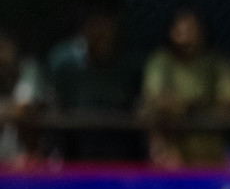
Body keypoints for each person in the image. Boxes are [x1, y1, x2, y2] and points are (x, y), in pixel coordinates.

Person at [141, 8, 230, 167]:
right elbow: (154, 100)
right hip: (171, 156)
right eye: (180, 30)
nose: (186, 37)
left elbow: (229, 103)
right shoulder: (161, 61)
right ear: (171, 32)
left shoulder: (218, 63)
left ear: (202, 32)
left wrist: (187, 106)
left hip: (210, 154)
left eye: (191, 30)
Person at [49, 9, 139, 161]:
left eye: (107, 26)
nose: (102, 33)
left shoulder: (128, 64)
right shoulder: (63, 61)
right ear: (85, 29)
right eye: (96, 25)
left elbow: (135, 107)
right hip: (75, 145)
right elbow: (55, 106)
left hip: (119, 146)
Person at [0, 30, 44, 166]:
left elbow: (23, 107)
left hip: (21, 157)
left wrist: (3, 111)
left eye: (4, 48)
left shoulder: (28, 67)